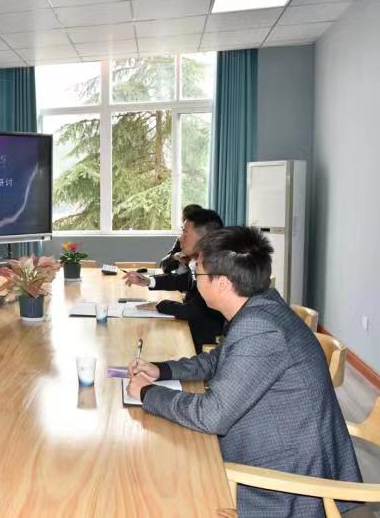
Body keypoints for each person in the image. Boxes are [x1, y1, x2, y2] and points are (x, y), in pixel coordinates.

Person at [127, 227, 361, 517]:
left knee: (164, 487)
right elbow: (218, 360)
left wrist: (147, 393)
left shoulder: (259, 327)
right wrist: (162, 369)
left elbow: (212, 415)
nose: (195, 281)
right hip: (276, 450)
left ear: (223, 284)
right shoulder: (262, 306)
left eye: (198, 274)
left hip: (285, 486)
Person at [124, 209, 225, 353]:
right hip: (189, 329)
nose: (181, 238)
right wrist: (148, 281)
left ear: (204, 238)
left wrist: (159, 305)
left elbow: (193, 310)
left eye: (185, 233)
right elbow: (184, 283)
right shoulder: (201, 261)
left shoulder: (217, 267)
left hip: (200, 344)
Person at [159, 203, 203, 274]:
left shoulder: (209, 243)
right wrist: (174, 257)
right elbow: (163, 265)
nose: (181, 238)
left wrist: (190, 262)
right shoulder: (181, 240)